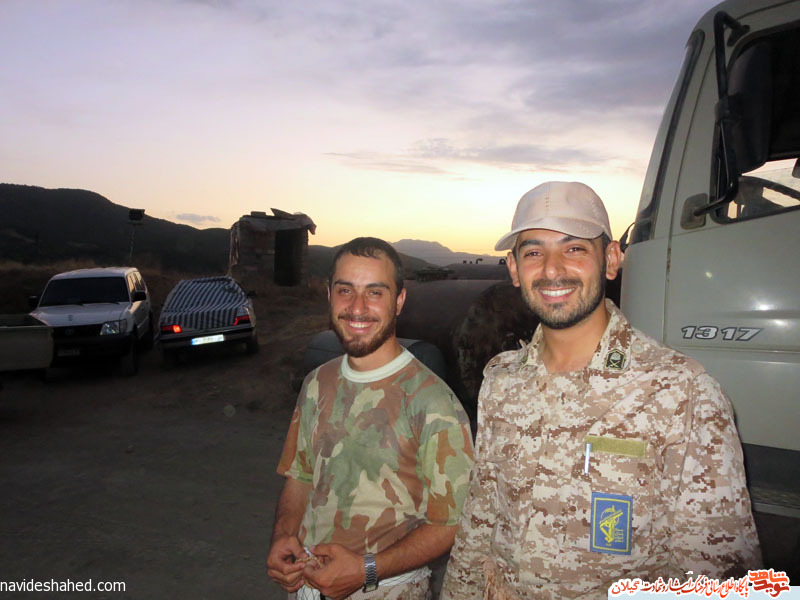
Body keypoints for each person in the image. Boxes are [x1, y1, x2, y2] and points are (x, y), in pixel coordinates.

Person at [441, 182, 761, 599]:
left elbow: (716, 574)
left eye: (574, 248)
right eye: (534, 252)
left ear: (610, 259)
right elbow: (480, 516)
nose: (552, 270)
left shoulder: (681, 393)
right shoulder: (501, 381)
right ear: (514, 269)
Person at [267, 237, 474, 600]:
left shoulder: (434, 403)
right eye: (345, 290)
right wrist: (284, 535)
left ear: (399, 301)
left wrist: (367, 569)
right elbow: (301, 476)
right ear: (329, 295)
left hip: (389, 589)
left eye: (375, 292)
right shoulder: (317, 383)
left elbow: (451, 524)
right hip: (305, 586)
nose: (357, 308)